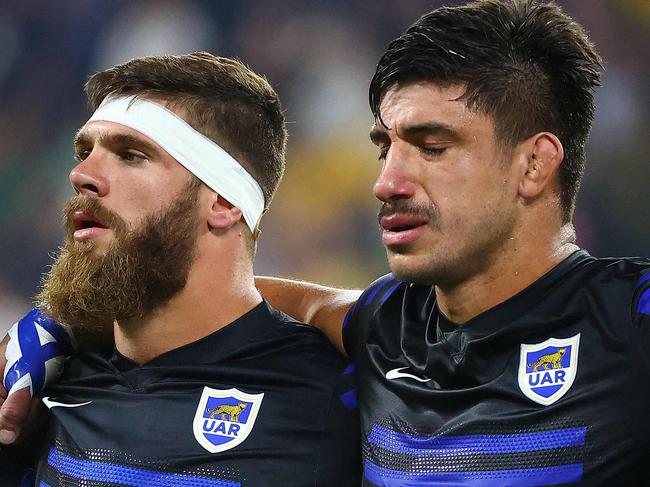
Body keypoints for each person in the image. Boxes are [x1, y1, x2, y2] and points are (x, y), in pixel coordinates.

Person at [3, 0, 650, 485]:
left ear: (535, 165)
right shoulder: (384, 329)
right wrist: (65, 317)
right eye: (385, 148)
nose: (388, 182)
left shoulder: (627, 317)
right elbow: (251, 301)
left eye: (431, 146)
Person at [0, 52, 360, 486]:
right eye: (85, 150)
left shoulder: (336, 393)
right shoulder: (35, 393)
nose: (81, 174)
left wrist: (326, 308)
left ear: (225, 203)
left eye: (131, 155)